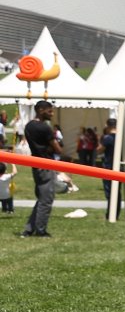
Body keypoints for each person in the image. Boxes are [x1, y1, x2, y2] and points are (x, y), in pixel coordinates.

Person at [19, 101, 62, 238]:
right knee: (46, 199)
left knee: (42, 198)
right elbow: (58, 149)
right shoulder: (44, 128)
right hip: (46, 165)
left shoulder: (29, 126)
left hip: (36, 163)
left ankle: (28, 229)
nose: (52, 114)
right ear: (41, 110)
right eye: (49, 111)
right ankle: (41, 230)